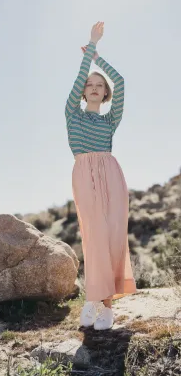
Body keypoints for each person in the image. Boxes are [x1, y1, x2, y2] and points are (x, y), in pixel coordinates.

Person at [65, 21, 137, 330]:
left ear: (104, 93)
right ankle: (94, 298)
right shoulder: (72, 113)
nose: (94, 87)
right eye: (89, 85)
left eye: (99, 85)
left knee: (112, 236)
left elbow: (119, 80)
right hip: (84, 174)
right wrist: (89, 48)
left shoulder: (110, 122)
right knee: (94, 237)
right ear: (83, 92)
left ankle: (107, 307)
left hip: (112, 175)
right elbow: (80, 78)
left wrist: (99, 59)